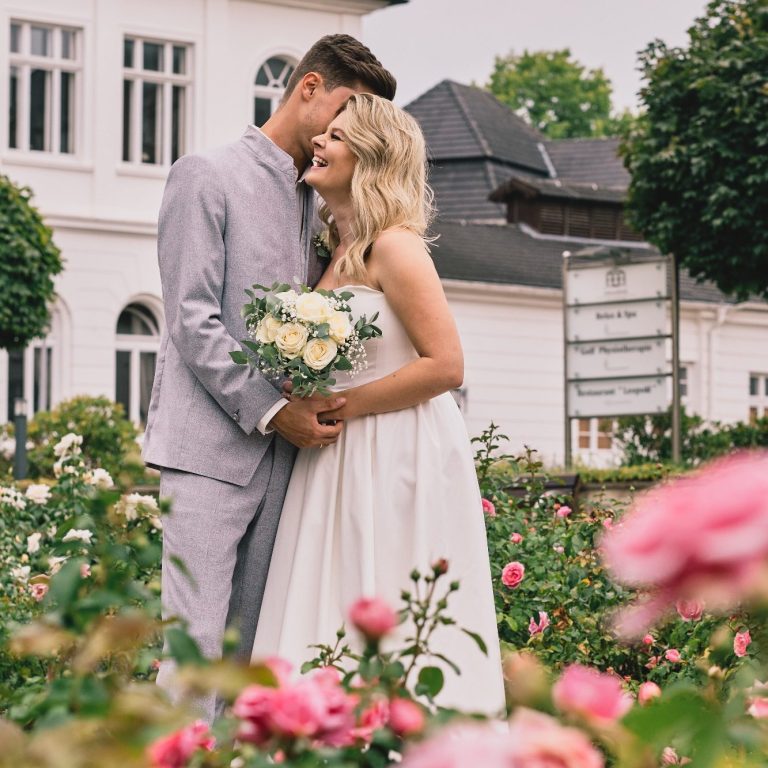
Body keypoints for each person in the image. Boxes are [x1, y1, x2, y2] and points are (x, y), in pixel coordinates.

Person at [142, 36, 396, 721]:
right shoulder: (205, 174)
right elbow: (191, 318)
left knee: (252, 655)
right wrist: (271, 409)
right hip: (206, 456)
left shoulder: (320, 202)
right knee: (194, 651)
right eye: (345, 110)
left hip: (288, 468)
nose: (349, 132)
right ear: (308, 87)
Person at [251, 94, 506, 715]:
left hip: (398, 450)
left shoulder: (396, 246)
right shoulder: (331, 253)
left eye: (336, 136)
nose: (319, 141)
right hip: (335, 456)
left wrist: (345, 405)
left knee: (394, 595)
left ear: (370, 158)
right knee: (328, 594)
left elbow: (446, 365)